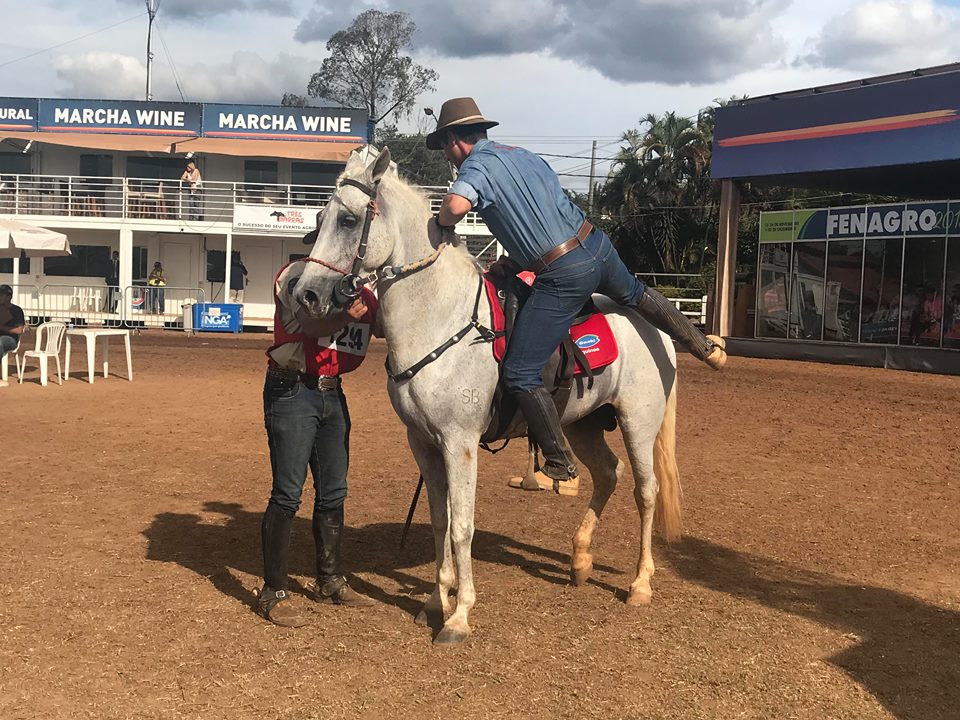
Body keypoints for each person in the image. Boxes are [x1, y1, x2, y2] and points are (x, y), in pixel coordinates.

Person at [427, 97, 726, 497]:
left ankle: (561, 466)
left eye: (446, 148)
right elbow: (547, 215)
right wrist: (516, 262)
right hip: (597, 247)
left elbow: (456, 206)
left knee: (520, 371)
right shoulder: (524, 155)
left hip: (563, 273)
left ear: (452, 141)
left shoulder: (476, 165)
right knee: (636, 294)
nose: (449, 157)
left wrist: (438, 223)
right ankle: (704, 346)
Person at [256, 253, 380, 627]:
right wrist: (348, 316)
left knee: (333, 492)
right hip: (291, 388)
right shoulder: (295, 276)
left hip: (331, 392)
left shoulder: (361, 287)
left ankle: (329, 579)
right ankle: (273, 591)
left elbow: (385, 324)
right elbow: (310, 325)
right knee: (287, 494)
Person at [0, 284, 25, 388]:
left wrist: (2, 328)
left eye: (1, 295)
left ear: (8, 297)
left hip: (10, 339)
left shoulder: (16, 310)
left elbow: (19, 330)